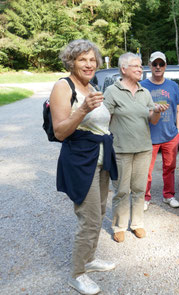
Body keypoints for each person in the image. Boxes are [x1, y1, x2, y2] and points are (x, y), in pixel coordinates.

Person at [51, 39, 118, 295]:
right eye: (82, 59)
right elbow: (60, 131)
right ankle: (77, 274)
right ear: (71, 61)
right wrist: (82, 110)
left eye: (92, 60)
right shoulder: (63, 86)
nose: (89, 64)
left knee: (99, 212)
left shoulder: (91, 85)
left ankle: (89, 260)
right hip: (80, 161)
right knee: (89, 219)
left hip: (99, 159)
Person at [104, 52, 168, 243]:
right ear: (123, 69)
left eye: (141, 66)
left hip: (143, 149)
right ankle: (119, 225)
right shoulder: (112, 92)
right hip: (121, 150)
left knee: (139, 189)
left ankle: (137, 224)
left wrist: (156, 111)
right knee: (122, 190)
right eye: (136, 66)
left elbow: (152, 120)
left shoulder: (145, 92)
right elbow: (103, 119)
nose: (141, 69)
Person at [140, 51, 179, 209]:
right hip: (149, 136)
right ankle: (145, 198)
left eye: (161, 64)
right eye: (155, 64)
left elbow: (178, 109)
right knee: (146, 170)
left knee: (170, 167)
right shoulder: (143, 86)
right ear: (150, 66)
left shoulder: (173, 86)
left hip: (170, 136)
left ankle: (168, 195)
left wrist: (178, 130)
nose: (158, 67)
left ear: (165, 66)